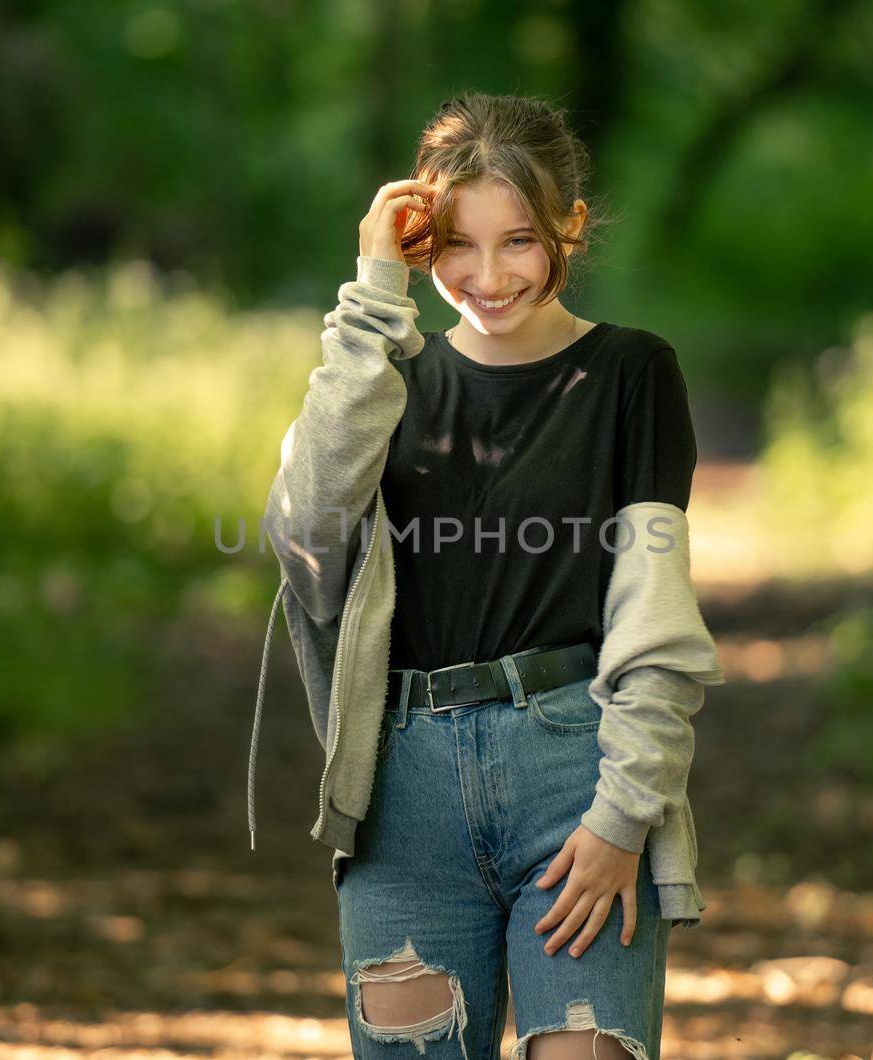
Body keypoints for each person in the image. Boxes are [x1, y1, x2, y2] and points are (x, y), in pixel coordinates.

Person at [250, 91, 725, 1059]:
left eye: (517, 241)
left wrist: (623, 814)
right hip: (404, 804)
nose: (486, 275)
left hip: (577, 783)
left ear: (570, 228)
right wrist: (373, 296)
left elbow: (656, 619)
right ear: (422, 247)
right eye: (455, 246)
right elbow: (304, 538)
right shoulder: (392, 380)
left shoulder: (630, 376)